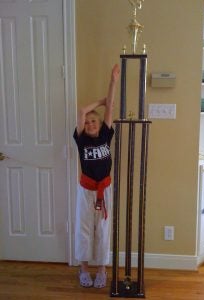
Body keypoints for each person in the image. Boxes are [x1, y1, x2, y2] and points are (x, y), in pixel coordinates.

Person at [73, 64, 120, 288]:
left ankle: (101, 269)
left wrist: (113, 82)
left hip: (105, 189)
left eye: (95, 121)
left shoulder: (105, 135)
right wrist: (98, 103)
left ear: (101, 125)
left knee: (102, 229)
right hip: (86, 190)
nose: (90, 123)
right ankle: (83, 269)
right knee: (84, 228)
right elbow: (82, 110)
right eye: (88, 122)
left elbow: (110, 107)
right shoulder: (81, 139)